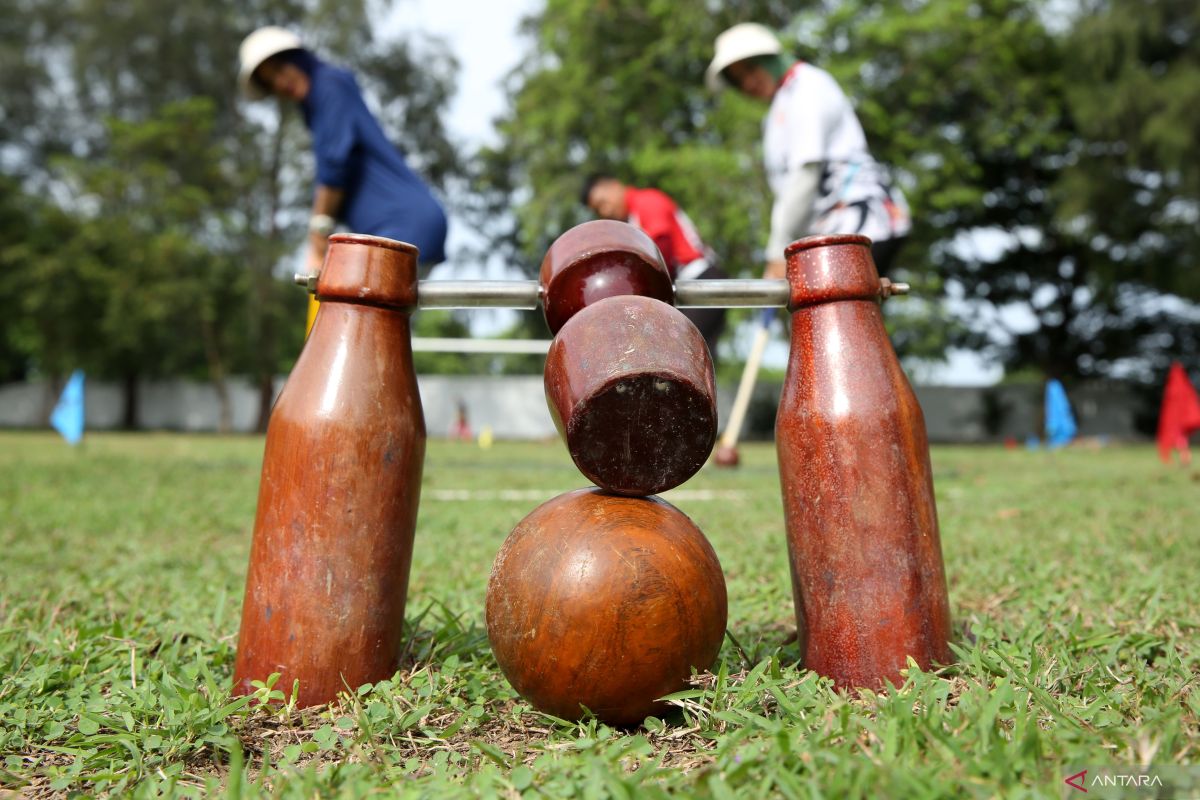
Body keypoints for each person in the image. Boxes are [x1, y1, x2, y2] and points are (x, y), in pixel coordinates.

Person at [237, 27, 448, 329]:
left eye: (281, 69)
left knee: (359, 331)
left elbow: (335, 163)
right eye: (271, 83)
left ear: (298, 58)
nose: (281, 84)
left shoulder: (328, 85)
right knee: (375, 334)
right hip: (397, 227)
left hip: (403, 224)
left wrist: (317, 236)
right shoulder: (319, 102)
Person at [706, 23, 911, 280]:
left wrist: (777, 250)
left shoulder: (807, 87)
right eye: (738, 80)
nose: (748, 83)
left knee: (837, 312)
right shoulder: (779, 107)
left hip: (865, 223)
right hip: (831, 234)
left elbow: (806, 173)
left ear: (768, 58)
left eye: (750, 69)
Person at [581, 175, 727, 360]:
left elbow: (661, 249)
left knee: (673, 354)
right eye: (598, 209)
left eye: (603, 202)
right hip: (682, 289)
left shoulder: (647, 201)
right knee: (693, 361)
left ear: (615, 186)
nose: (605, 210)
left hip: (698, 279)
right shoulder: (630, 222)